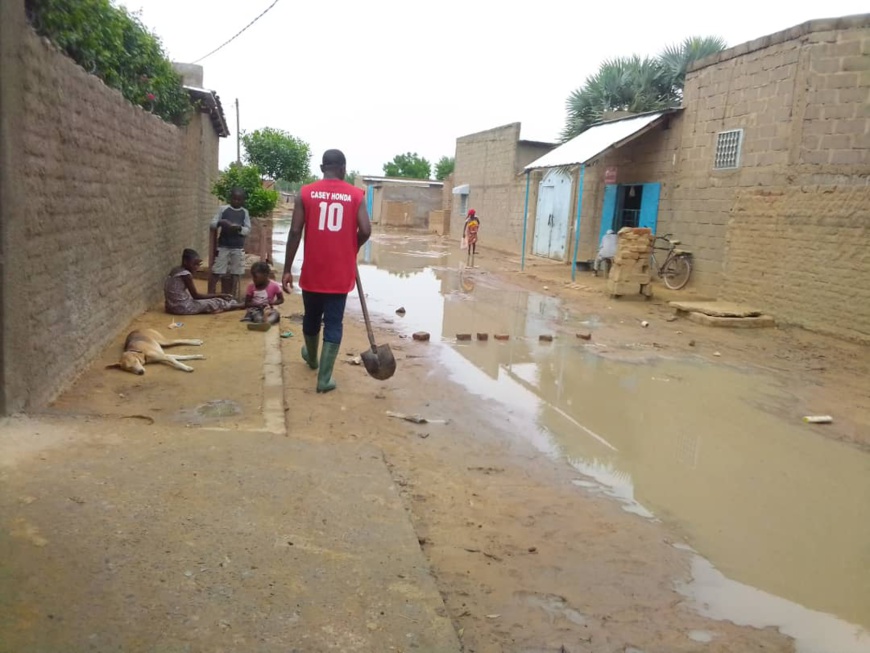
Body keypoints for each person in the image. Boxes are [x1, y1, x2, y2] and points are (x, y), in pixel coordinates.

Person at [282, 149, 372, 393]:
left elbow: (294, 232)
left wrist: (287, 269)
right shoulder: (356, 195)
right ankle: (324, 379)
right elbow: (365, 230)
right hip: (339, 273)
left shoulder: (305, 193)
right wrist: (351, 247)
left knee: (311, 317)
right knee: (333, 321)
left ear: (322, 167)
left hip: (313, 270)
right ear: (343, 168)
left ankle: (312, 358)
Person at [164, 249, 244, 315]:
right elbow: (196, 296)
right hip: (182, 307)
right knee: (214, 302)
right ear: (185, 262)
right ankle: (239, 305)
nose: (197, 267)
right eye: (194, 264)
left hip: (171, 306)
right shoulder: (186, 275)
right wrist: (219, 295)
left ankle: (230, 304)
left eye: (198, 264)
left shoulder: (175, 270)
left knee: (206, 301)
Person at [209, 187, 251, 298]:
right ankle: (211, 295)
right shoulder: (223, 209)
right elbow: (212, 224)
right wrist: (221, 222)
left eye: (239, 200)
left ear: (243, 200)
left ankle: (233, 296)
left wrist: (238, 229)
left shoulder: (244, 212)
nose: (236, 201)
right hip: (223, 246)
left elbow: (247, 229)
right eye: (234, 199)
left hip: (237, 247)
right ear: (230, 198)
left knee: (236, 272)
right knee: (217, 270)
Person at [242, 261, 284, 327]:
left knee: (276, 314)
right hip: (256, 309)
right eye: (253, 277)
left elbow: (281, 299)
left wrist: (272, 303)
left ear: (266, 275)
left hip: (268, 309)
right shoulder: (251, 286)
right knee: (257, 317)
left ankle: (267, 321)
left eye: (256, 277)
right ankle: (263, 321)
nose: (254, 279)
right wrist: (258, 305)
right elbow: (247, 303)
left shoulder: (274, 285)